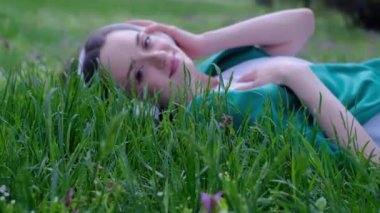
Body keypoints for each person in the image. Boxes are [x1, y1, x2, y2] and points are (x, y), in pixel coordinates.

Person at [72, 8, 380, 163]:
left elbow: (302, 22)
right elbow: (362, 160)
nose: (159, 57)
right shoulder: (216, 113)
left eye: (147, 41)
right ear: (139, 105)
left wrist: (202, 42)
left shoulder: (219, 66)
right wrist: (293, 76)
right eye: (138, 74)